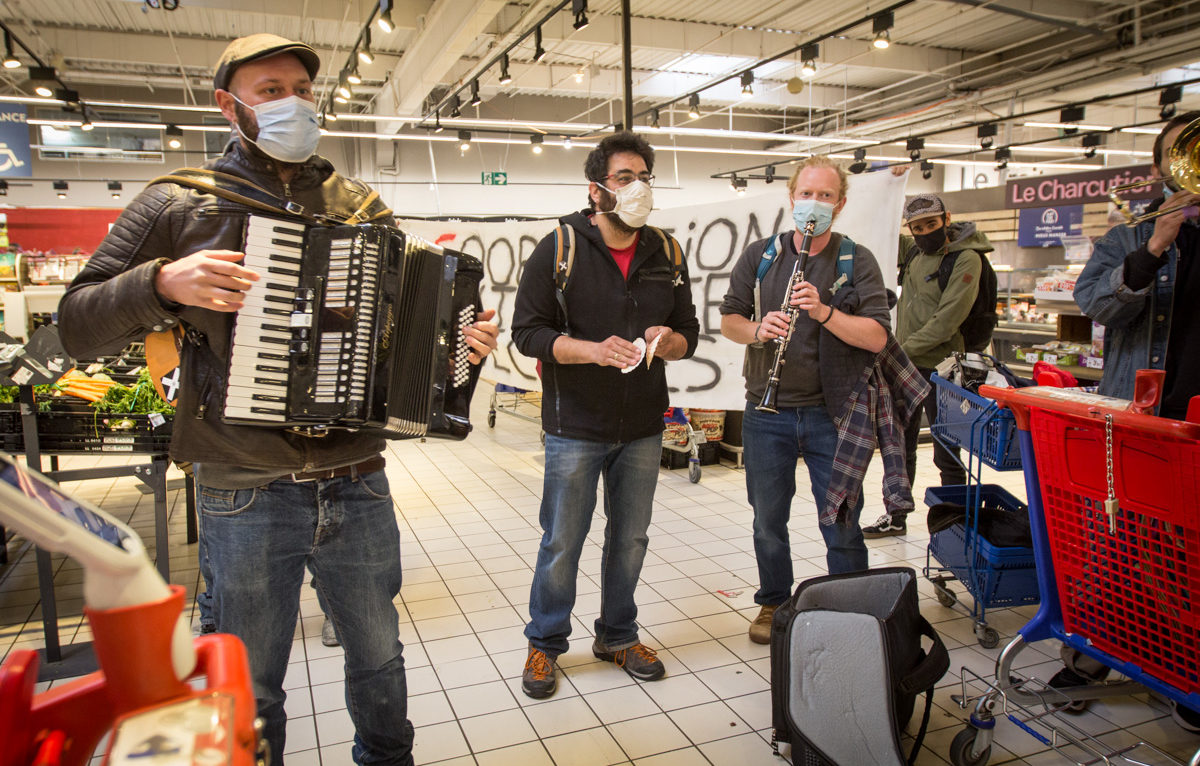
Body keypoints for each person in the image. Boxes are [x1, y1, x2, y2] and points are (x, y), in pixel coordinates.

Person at [56, 34, 499, 766]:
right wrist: (161, 285)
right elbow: (73, 329)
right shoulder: (179, 202)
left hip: (357, 477)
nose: (294, 101)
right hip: (244, 488)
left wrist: (455, 354)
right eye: (271, 89)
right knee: (251, 682)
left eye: (303, 87)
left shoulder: (362, 207)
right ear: (229, 104)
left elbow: (399, 337)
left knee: (381, 660)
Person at [511, 131, 700, 699]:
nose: (637, 187)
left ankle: (617, 636)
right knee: (562, 539)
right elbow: (528, 334)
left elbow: (689, 332)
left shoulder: (665, 250)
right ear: (596, 189)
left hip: (643, 423)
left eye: (644, 176)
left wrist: (669, 343)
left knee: (631, 538)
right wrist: (591, 350)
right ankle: (544, 643)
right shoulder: (560, 246)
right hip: (575, 425)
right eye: (624, 177)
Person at [720, 156, 892, 644]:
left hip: (832, 415)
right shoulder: (762, 254)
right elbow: (729, 319)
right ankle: (773, 601)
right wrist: (757, 330)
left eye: (824, 195)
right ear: (791, 196)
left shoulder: (855, 259)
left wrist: (822, 311)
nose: (813, 203)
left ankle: (849, 609)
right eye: (806, 193)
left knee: (841, 520)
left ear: (839, 204)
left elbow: (878, 335)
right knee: (767, 521)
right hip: (766, 412)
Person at [861, 193, 991, 538]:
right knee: (898, 446)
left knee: (946, 449)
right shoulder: (916, 251)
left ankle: (956, 525)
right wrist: (884, 184)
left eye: (931, 225)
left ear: (946, 219)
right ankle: (896, 515)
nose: (924, 232)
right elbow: (879, 232)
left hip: (946, 370)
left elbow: (946, 321)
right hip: (907, 366)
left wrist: (896, 349)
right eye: (916, 228)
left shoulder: (966, 259)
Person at [1075, 110, 1200, 418]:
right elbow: (1095, 306)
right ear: (1157, 170)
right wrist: (1153, 248)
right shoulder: (1125, 238)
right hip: (1146, 414)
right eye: (1176, 153)